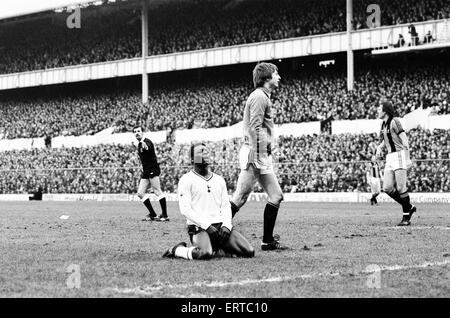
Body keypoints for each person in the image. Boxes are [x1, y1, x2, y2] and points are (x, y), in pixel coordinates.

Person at [229, 62, 288, 251]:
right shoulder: (259, 97)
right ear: (267, 77)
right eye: (276, 73)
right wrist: (255, 153)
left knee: (276, 196)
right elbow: (254, 126)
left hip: (262, 154)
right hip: (255, 153)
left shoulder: (263, 96)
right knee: (240, 197)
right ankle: (212, 231)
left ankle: (268, 241)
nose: (279, 77)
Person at [163, 143, 254, 260]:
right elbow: (185, 210)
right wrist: (207, 226)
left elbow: (226, 206)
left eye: (206, 151)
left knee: (249, 252)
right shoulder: (186, 179)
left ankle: (219, 248)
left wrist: (226, 225)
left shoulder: (219, 179)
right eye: (200, 151)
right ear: (192, 159)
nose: (205, 153)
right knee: (205, 254)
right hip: (199, 228)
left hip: (220, 228)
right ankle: (177, 250)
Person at [375, 99, 416, 226]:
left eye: (379, 108)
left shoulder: (395, 121)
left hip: (399, 155)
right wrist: (379, 147)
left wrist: (408, 158)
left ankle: (406, 218)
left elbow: (404, 139)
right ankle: (409, 206)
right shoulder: (384, 124)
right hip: (390, 157)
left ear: (385, 111)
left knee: (400, 187)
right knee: (387, 188)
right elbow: (387, 139)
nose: (377, 110)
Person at [133, 125, 169, 222]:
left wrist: (144, 146)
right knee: (140, 193)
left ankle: (165, 215)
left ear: (142, 132)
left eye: (138, 131)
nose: (137, 133)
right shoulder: (140, 144)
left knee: (157, 191)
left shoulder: (146, 142)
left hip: (152, 169)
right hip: (146, 171)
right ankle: (153, 214)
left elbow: (147, 147)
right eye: (135, 131)